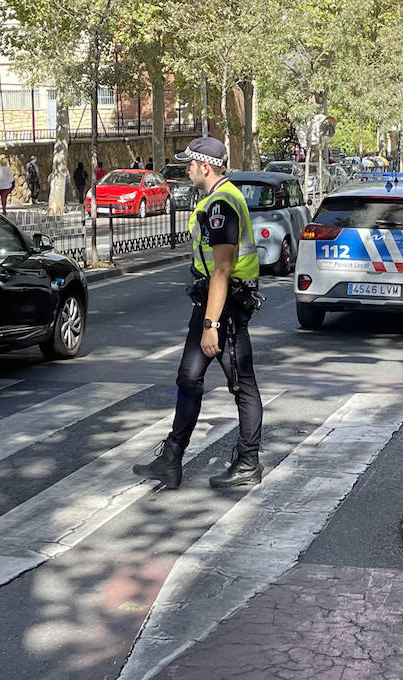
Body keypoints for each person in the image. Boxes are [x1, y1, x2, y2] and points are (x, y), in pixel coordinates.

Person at [133, 137, 264, 489]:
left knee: (242, 385)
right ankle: (172, 459)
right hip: (210, 301)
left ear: (205, 167)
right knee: (188, 380)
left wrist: (211, 324)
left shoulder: (222, 204)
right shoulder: (214, 199)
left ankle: (249, 461)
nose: (187, 169)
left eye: (190, 164)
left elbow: (223, 268)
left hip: (226, 309)